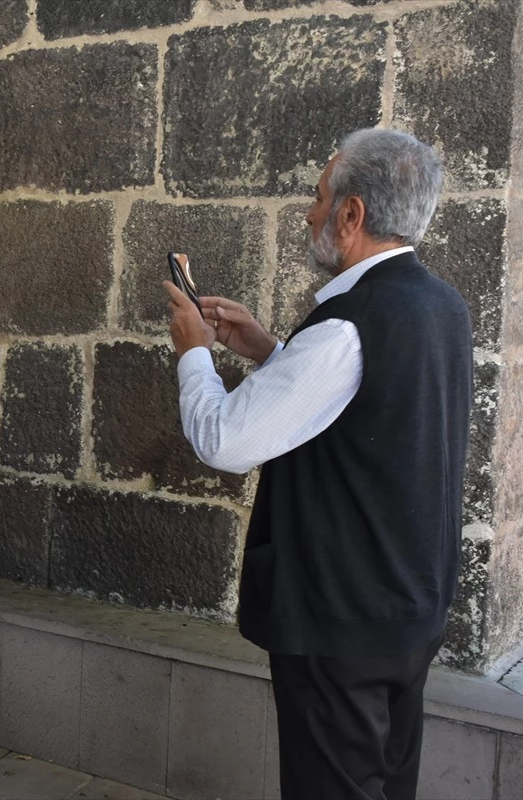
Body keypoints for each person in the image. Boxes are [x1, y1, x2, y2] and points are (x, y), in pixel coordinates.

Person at [162, 128, 472, 800]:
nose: (309, 212)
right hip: (407, 610)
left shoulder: (347, 326)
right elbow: (366, 419)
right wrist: (271, 351)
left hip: (343, 623)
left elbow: (223, 440)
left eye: (318, 194)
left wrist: (193, 350)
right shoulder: (442, 306)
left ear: (352, 214)